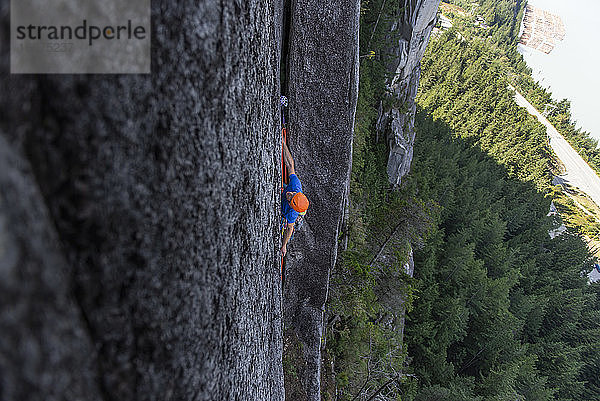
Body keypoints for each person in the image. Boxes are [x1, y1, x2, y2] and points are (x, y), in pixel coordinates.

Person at [281, 141, 309, 257]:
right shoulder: (296, 186)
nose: (290, 194)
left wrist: (284, 246)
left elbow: (289, 228)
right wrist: (283, 143)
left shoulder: (292, 213)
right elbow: (290, 165)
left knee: (293, 227)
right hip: (301, 203)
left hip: (299, 212)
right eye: (293, 194)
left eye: (291, 197)